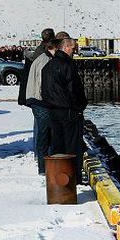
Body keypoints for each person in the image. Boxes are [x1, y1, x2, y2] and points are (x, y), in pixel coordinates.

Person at [42, 37, 87, 184]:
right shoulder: (68, 65)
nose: (75, 51)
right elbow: (75, 90)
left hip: (53, 111)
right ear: (66, 48)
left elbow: (45, 91)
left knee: (57, 146)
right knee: (73, 147)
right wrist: (80, 106)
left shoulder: (47, 67)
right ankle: (74, 180)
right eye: (73, 49)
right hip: (69, 111)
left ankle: (58, 180)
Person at [25, 39, 58, 174]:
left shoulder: (41, 58)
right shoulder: (46, 61)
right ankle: (44, 167)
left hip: (35, 99)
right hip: (40, 101)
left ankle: (43, 164)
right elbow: (42, 83)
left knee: (43, 133)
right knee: (45, 133)